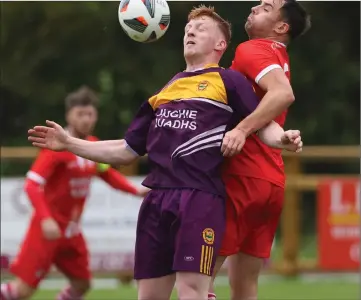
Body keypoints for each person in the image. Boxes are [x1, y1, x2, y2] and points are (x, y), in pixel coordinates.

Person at [26, 7, 303, 300]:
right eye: (188, 29)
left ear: (221, 44)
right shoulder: (166, 91)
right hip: (157, 201)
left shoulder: (228, 81)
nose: (190, 32)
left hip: (199, 199)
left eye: (201, 28)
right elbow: (126, 150)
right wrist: (70, 143)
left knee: (192, 292)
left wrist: (282, 138)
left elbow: (265, 125)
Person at [0, 86, 149, 300]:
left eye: (90, 114)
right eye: (80, 114)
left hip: (72, 234)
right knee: (21, 292)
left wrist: (135, 190)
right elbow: (32, 184)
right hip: (46, 233)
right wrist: (46, 219)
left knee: (82, 284)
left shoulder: (91, 147)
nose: (86, 119)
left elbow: (105, 173)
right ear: (69, 115)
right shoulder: (57, 148)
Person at [208, 1, 311, 300]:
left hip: (242, 174)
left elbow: (283, 94)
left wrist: (240, 130)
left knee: (199, 279)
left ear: (281, 27)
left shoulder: (252, 49)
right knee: (244, 286)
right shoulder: (278, 56)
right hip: (270, 181)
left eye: (266, 7)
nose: (254, 7)